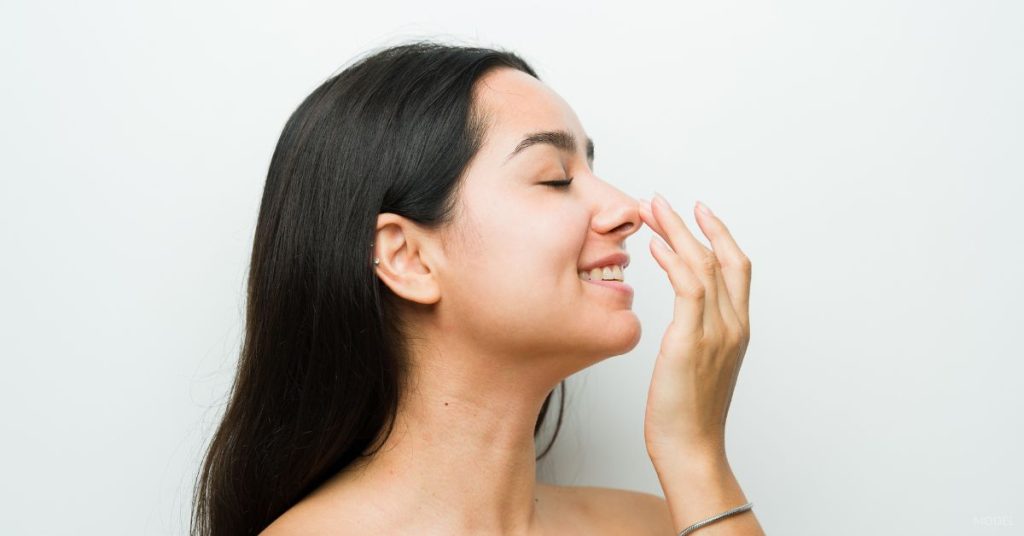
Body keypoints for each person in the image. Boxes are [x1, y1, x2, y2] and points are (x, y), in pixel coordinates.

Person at [191, 40, 763, 536]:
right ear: (408, 257)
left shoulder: (667, 523)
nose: (625, 209)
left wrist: (695, 455)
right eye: (555, 178)